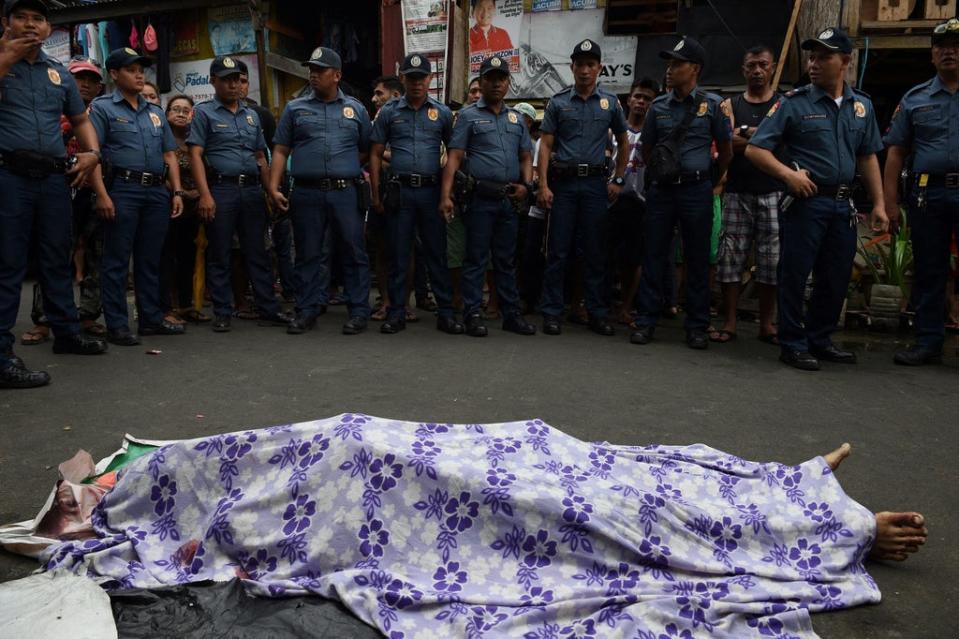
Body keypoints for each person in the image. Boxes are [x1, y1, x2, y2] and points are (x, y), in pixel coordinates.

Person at [38, 414, 927, 637]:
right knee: (603, 510)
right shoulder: (175, 480)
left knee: (608, 485)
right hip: (384, 488)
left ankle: (814, 515)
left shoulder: (199, 471)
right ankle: (819, 519)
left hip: (421, 458)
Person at [747, 28, 888, 371]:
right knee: (795, 274)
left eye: (824, 56)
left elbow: (868, 156)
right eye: (811, 56)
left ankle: (820, 339)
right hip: (807, 203)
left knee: (837, 275)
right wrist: (788, 175)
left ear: (845, 62)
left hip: (844, 206)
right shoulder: (794, 103)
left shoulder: (861, 106)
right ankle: (793, 342)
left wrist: (880, 204)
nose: (814, 63)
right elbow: (755, 149)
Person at [0, 0, 107, 389]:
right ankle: (1, 354)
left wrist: (92, 154)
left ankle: (66, 333)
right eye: (22, 16)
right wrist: (6, 58)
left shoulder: (58, 74)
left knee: (57, 258)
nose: (31, 24)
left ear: (48, 28)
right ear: (6, 22)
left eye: (38, 18)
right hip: (8, 175)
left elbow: (80, 120)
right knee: (8, 264)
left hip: (52, 179)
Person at [630, 36, 733, 350]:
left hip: (697, 190)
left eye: (677, 63)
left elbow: (726, 151)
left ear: (695, 69)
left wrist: (710, 180)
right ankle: (646, 320)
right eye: (669, 63)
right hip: (662, 191)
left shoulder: (712, 105)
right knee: (654, 254)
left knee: (698, 258)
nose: (670, 69)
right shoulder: (658, 106)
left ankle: (697, 325)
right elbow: (646, 149)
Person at [268, 46, 373, 335]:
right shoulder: (295, 108)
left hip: (345, 192)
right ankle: (307, 310)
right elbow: (280, 149)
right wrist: (274, 187)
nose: (313, 75)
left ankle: (358, 311)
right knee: (308, 253)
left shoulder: (357, 109)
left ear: (336, 75)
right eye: (311, 70)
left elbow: (366, 149)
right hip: (306, 193)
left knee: (353, 251)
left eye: (320, 70)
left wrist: (343, 168)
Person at [89, 48, 186, 346]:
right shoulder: (102, 108)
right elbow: (92, 155)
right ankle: (117, 325)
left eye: (141, 69)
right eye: (131, 69)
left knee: (150, 259)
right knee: (117, 260)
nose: (139, 74)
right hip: (123, 189)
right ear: (115, 74)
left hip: (157, 191)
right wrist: (102, 195)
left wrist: (177, 191)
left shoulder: (156, 112)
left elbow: (169, 153)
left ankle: (150, 319)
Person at [188, 55, 290, 333]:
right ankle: (223, 311)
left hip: (252, 191)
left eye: (236, 80)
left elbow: (261, 155)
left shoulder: (251, 115)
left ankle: (268, 308)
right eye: (226, 80)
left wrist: (271, 190)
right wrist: (205, 195)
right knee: (220, 252)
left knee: (258, 252)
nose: (233, 85)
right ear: (213, 82)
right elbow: (195, 155)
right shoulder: (204, 113)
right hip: (221, 189)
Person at [537, 39, 629, 337]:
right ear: (572, 67)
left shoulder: (611, 103)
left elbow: (624, 141)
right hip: (563, 185)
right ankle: (552, 312)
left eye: (591, 65)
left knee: (595, 252)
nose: (585, 70)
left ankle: (597, 313)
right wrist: (543, 184)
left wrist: (618, 178)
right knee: (558, 252)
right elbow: (546, 145)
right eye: (580, 65)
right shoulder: (558, 102)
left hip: (594, 186)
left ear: (599, 68)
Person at [440, 55, 535, 337]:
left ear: (508, 83)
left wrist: (526, 186)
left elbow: (526, 156)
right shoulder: (468, 116)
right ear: (481, 82)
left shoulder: (517, 119)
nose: (496, 83)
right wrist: (445, 196)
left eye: (501, 78)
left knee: (506, 260)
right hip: (479, 197)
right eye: (490, 78)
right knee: (476, 258)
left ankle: (511, 315)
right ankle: (472, 314)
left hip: (509, 199)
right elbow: (454, 158)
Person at [369, 53, 463, 335]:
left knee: (437, 254)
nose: (417, 83)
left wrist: (448, 193)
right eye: (411, 78)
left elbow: (455, 154)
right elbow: (374, 154)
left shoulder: (443, 113)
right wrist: (375, 193)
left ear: (430, 79)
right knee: (399, 255)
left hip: (431, 192)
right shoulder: (389, 112)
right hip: (399, 192)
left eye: (422, 77)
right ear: (403, 79)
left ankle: (445, 313)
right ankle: (396, 313)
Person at [884, 18, 959, 366]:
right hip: (928, 197)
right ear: (932, 55)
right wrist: (889, 203)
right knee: (930, 270)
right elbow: (895, 152)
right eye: (941, 46)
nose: (949, 51)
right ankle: (928, 342)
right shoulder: (915, 99)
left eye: (955, 45)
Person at [22, 55, 107, 346]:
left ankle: (87, 315)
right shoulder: (50, 112)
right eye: (79, 78)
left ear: (99, 87)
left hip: (94, 192)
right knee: (54, 256)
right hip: (56, 188)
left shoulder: (102, 113)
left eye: (91, 80)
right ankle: (45, 320)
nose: (85, 84)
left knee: (96, 254)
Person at [713, 45, 784, 345]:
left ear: (772, 68)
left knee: (771, 261)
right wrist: (761, 134)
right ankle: (729, 322)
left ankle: (766, 324)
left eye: (763, 65)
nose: (757, 70)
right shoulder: (729, 104)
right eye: (751, 65)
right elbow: (727, 143)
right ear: (743, 70)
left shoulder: (783, 104)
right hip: (737, 191)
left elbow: (782, 141)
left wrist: (747, 135)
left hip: (773, 191)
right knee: (731, 258)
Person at [609, 77, 658, 326]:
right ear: (628, 100)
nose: (641, 102)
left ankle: (626, 307)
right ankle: (601, 305)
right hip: (612, 201)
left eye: (647, 98)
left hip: (640, 203)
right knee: (604, 255)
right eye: (637, 96)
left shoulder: (653, 134)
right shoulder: (614, 132)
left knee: (634, 259)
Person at [159, 94, 208, 325]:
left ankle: (188, 305)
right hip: (169, 205)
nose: (180, 113)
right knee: (168, 256)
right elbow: (162, 171)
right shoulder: (161, 139)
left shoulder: (197, 141)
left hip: (195, 207)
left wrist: (201, 193)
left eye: (185, 110)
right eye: (175, 109)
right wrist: (182, 193)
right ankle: (168, 308)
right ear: (166, 114)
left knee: (189, 256)